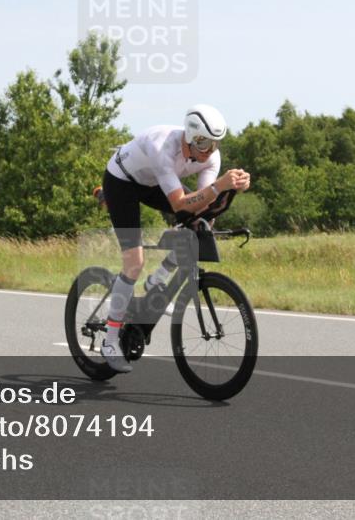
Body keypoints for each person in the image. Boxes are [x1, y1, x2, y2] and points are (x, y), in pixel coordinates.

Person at [98, 104, 250, 372]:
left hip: (153, 182)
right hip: (122, 181)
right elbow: (180, 203)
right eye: (203, 142)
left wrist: (231, 189)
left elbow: (201, 204)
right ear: (191, 137)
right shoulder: (163, 147)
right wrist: (219, 186)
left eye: (214, 143)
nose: (209, 151)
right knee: (134, 262)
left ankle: (158, 279)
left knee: (199, 223)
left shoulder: (210, 157)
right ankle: (110, 341)